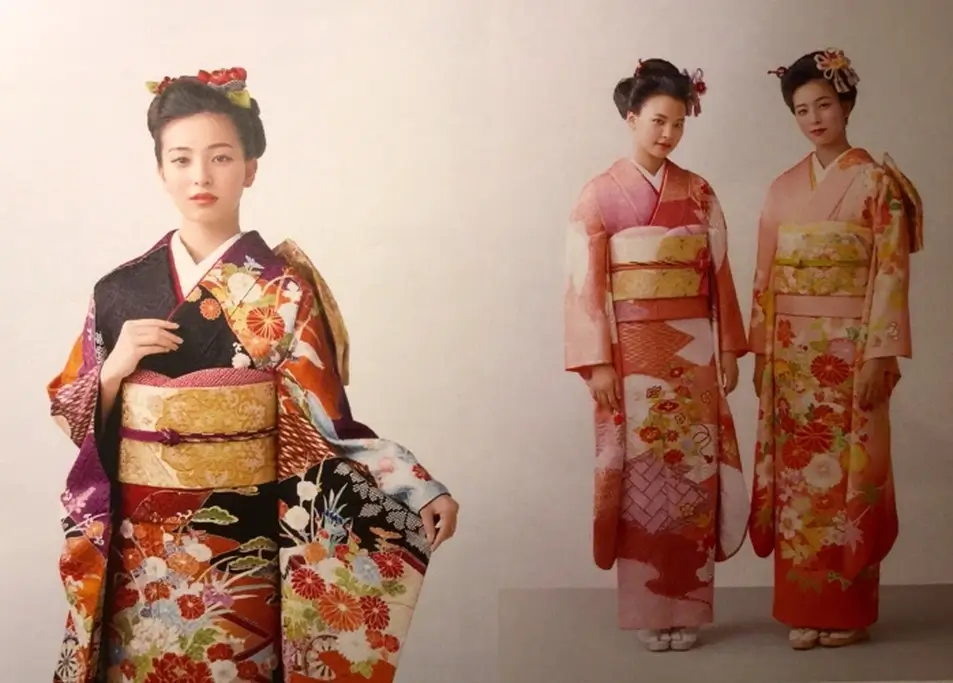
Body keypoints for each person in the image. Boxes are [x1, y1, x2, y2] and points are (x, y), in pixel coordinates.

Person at [46, 66, 460, 683]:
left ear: (250, 168)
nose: (200, 176)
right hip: (141, 549)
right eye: (181, 159)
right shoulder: (118, 290)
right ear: (160, 169)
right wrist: (111, 371)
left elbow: (327, 424)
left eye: (220, 157)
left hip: (243, 547)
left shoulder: (283, 291)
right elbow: (68, 412)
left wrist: (414, 485)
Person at [563, 58, 750, 652]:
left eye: (677, 124)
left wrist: (726, 349)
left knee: (692, 473)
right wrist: (597, 364)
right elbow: (584, 284)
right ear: (631, 117)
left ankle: (688, 606)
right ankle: (649, 607)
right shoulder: (598, 195)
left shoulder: (699, 192)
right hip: (631, 354)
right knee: (641, 476)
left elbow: (718, 274)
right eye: (657, 121)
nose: (667, 134)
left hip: (692, 351)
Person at [748, 48, 923, 650]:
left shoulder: (877, 185)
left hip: (851, 353)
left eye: (824, 104)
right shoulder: (781, 189)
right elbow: (765, 276)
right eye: (802, 109)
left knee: (848, 476)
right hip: (794, 356)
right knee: (801, 482)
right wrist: (765, 357)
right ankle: (804, 604)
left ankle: (846, 611)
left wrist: (881, 353)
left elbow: (891, 272)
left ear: (846, 103)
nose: (815, 118)